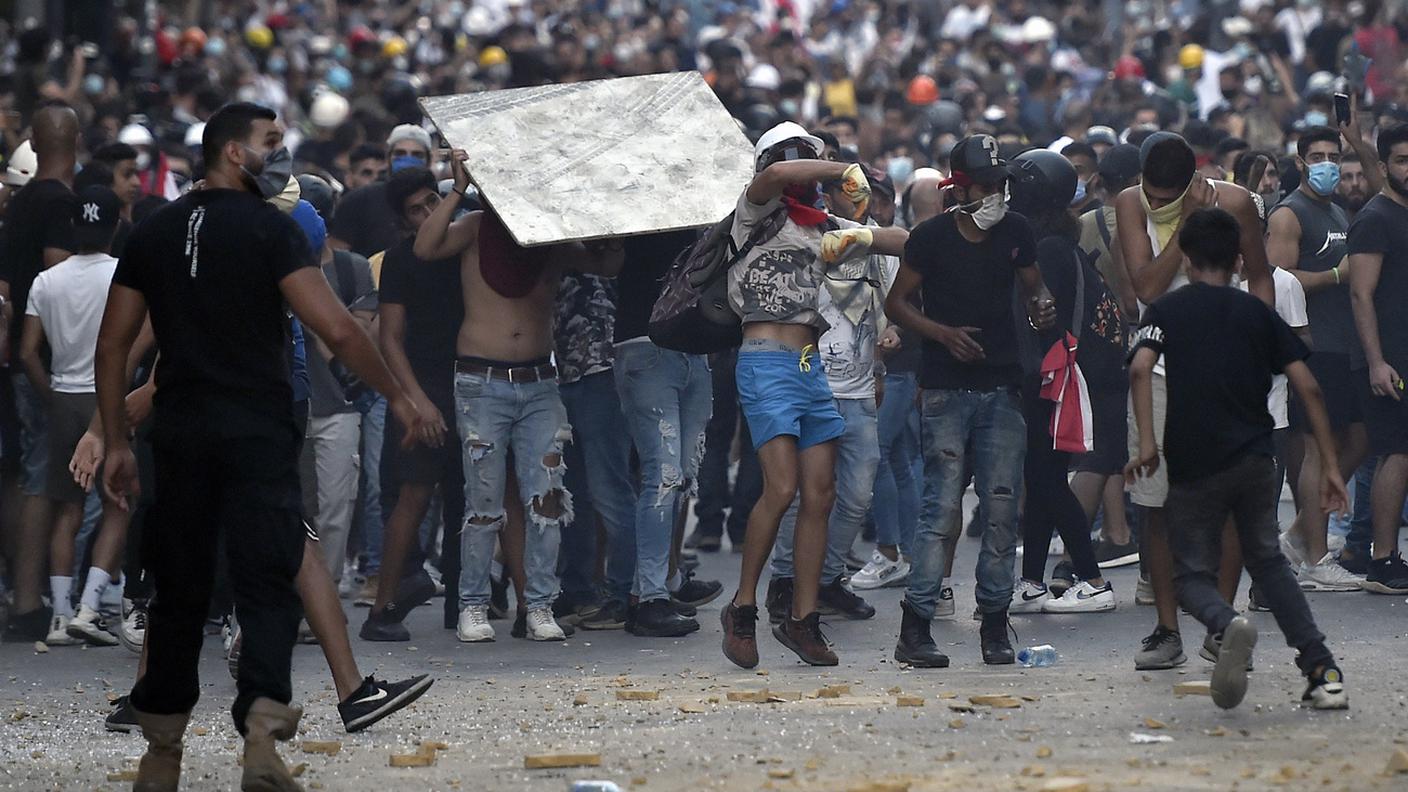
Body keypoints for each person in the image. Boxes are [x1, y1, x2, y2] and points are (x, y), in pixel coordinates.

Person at [94, 102, 429, 790]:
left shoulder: (154, 232)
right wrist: (397, 393)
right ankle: (261, 746)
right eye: (270, 141)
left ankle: (162, 754)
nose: (281, 151)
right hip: (257, 432)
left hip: (180, 433)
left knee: (179, 591)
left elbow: (112, 345)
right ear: (234, 154)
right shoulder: (271, 232)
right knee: (266, 586)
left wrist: (117, 437)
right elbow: (336, 329)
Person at [1126, 207, 1349, 712]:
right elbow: (1308, 385)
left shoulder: (1167, 310)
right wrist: (1331, 465)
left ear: (1185, 256)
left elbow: (1141, 369)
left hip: (1192, 462)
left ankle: (1227, 626)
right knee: (1268, 562)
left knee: (1189, 576)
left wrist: (1146, 447)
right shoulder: (1257, 313)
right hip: (1254, 459)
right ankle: (1322, 671)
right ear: (1239, 260)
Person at [413, 148, 623, 644]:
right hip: (480, 382)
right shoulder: (475, 226)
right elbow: (425, 248)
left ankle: (540, 606)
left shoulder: (549, 234)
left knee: (546, 498)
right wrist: (458, 188)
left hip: (538, 382)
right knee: (482, 501)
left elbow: (608, 263)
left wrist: (606, 214)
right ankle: (472, 604)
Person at [717, 122, 899, 670]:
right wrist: (842, 168)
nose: (805, 174)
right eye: (803, 163)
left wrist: (866, 232)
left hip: (807, 363)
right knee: (782, 488)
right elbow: (775, 175)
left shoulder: (825, 227)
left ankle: (803, 618)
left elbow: (900, 241)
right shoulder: (751, 214)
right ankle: (743, 608)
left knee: (820, 495)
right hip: (764, 362)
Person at [884, 134, 1057, 668]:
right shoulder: (930, 238)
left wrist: (1041, 306)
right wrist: (941, 334)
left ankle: (995, 622)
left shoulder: (1017, 232)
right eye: (985, 187)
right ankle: (916, 626)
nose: (995, 196)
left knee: (1003, 507)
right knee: (940, 508)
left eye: (1000, 186)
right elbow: (897, 303)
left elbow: (1035, 288)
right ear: (959, 188)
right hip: (945, 388)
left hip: (1002, 385)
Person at [1114, 131, 1275, 672]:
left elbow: (1260, 276)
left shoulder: (1233, 203)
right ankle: (1165, 629)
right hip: (1157, 372)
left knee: (1226, 499)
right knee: (1156, 505)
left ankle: (1220, 626)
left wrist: (1256, 345)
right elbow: (1148, 291)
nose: (1156, 203)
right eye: (1152, 194)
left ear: (1194, 183)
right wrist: (1184, 226)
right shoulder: (1130, 204)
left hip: (1223, 372)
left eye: (1170, 198)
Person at [764, 167, 905, 625]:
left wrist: (886, 352)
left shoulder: (871, 244)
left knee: (857, 495)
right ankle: (786, 581)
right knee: (804, 493)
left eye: (862, 195)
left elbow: (888, 307)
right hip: (809, 383)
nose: (853, 200)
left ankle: (825, 580)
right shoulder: (795, 240)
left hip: (860, 387)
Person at [1005, 149, 1119, 615]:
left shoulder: (1046, 250)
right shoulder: (1057, 242)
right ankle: (1031, 582)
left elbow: (1040, 318)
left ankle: (1091, 580)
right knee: (1042, 474)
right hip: (1069, 377)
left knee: (1048, 479)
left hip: (1056, 380)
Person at [360, 166, 463, 642]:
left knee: (484, 497)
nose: (427, 214)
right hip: (425, 386)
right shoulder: (402, 261)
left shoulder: (464, 246)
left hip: (473, 380)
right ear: (403, 221)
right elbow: (391, 339)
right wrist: (416, 401)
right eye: (416, 210)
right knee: (414, 496)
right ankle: (381, 609)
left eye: (431, 202)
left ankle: (485, 603)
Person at [1266, 125, 1370, 591]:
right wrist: (1335, 273)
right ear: (1301, 159)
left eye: (1335, 154)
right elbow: (1277, 280)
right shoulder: (1291, 214)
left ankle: (1299, 533)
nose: (1328, 163)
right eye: (1319, 156)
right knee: (1315, 448)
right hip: (1313, 346)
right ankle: (1314, 553)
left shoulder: (1336, 211)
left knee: (1359, 439)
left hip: (1343, 345)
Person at [20, 185, 124, 647]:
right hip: (109, 399)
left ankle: (60, 615)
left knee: (67, 505)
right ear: (115, 226)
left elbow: (26, 351)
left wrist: (50, 395)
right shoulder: (123, 276)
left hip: (63, 395)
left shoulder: (47, 280)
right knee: (122, 501)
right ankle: (90, 604)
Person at [610, 229, 723, 636]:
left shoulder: (702, 210)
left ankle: (656, 585)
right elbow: (608, 263)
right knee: (665, 475)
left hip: (691, 349)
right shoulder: (633, 210)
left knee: (680, 475)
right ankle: (649, 597)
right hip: (646, 345)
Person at [0, 105, 79, 643]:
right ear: (76, 142)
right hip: (47, 360)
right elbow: (57, 275)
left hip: (23, 354)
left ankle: (22, 590)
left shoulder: (22, 201)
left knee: (24, 471)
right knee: (40, 476)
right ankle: (29, 601)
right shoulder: (59, 204)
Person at [1347, 123, 1408, 595]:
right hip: (1390, 360)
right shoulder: (1375, 219)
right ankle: (1383, 561)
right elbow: (1360, 294)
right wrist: (1375, 361)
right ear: (1385, 168)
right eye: (1402, 161)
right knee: (1397, 453)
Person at [329, 124, 432, 257]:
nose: (408, 159)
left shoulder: (440, 202)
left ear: (429, 161)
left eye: (417, 155)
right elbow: (336, 257)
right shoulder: (359, 200)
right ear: (388, 160)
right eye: (400, 153)